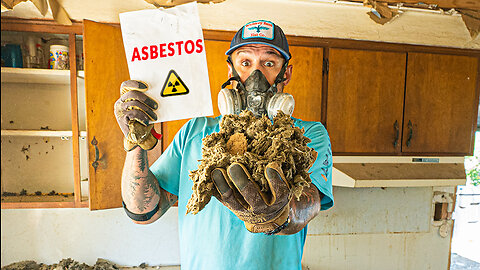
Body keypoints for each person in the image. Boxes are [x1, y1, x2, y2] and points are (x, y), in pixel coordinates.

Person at [114, 20, 333, 270]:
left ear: (287, 73)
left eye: (269, 63)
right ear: (231, 72)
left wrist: (281, 214)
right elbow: (145, 211)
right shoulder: (196, 132)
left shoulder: (306, 136)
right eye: (245, 62)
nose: (255, 76)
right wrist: (136, 144)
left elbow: (310, 202)